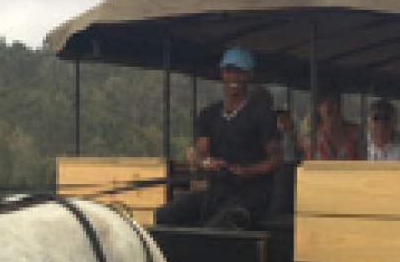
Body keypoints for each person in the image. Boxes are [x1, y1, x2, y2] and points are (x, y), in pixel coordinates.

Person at [155, 47, 281, 230]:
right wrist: (206, 163)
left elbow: (276, 160)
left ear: (249, 75)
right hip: (217, 192)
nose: (233, 77)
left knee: (218, 226)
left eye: (240, 72)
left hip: (251, 195)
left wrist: (248, 171)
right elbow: (199, 153)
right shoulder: (209, 114)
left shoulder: (262, 115)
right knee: (164, 216)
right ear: (222, 74)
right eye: (228, 71)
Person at [304, 90, 363, 160]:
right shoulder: (311, 140)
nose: (327, 105)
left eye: (332, 101)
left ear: (339, 105)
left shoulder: (357, 133)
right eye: (323, 103)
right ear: (318, 108)